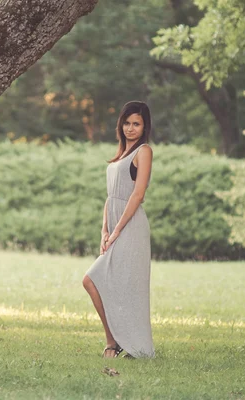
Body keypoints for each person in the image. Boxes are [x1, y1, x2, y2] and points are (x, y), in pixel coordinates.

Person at [82, 101, 155, 359]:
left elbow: (137, 195)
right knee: (97, 282)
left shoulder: (143, 151)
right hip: (113, 225)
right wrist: (104, 230)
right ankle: (113, 340)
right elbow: (110, 197)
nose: (130, 128)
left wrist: (117, 231)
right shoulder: (120, 155)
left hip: (131, 227)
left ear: (144, 126)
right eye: (126, 123)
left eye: (136, 123)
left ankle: (125, 344)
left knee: (99, 281)